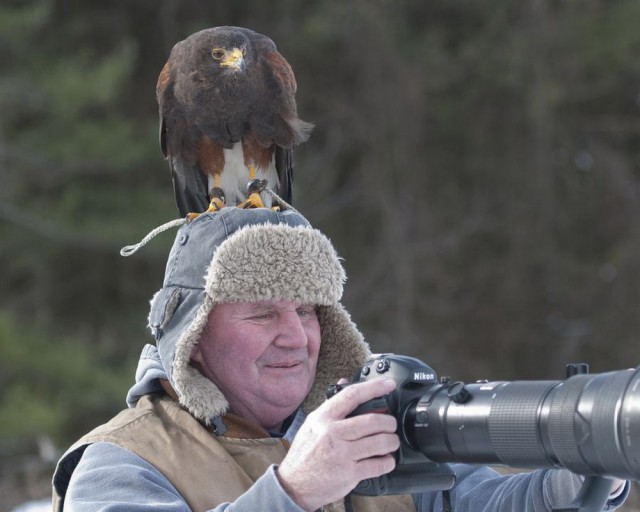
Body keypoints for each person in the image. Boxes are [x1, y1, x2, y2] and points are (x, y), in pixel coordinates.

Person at [52, 207, 629, 511]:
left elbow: (483, 503)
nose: (295, 337)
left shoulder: (372, 427)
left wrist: (582, 455)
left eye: (306, 311)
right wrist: (295, 491)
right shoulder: (120, 467)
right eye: (261, 313)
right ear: (192, 336)